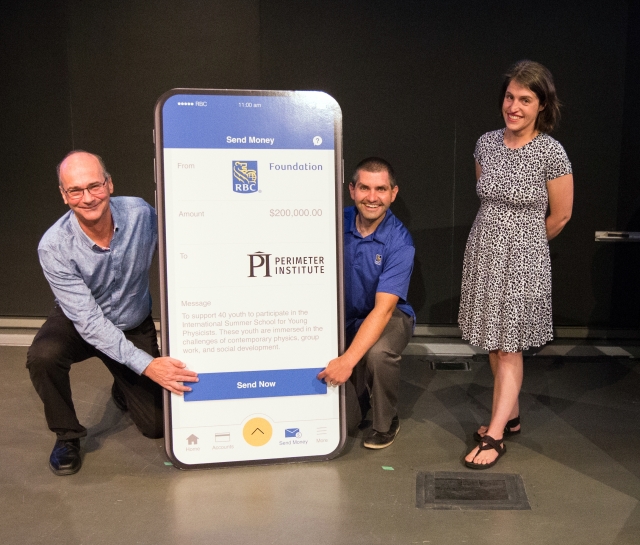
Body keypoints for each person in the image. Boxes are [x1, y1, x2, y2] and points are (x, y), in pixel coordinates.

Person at [27, 150, 198, 476]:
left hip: (132, 322)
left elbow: (180, 248)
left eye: (95, 186)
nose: (88, 198)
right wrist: (147, 366)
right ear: (64, 196)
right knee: (43, 355)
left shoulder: (140, 215)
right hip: (79, 324)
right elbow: (89, 322)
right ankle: (67, 435)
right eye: (75, 190)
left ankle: (123, 386)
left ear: (110, 183)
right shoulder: (54, 246)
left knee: (156, 427)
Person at [458, 60, 574, 469]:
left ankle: (494, 436)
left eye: (526, 99)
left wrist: (523, 247)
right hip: (483, 252)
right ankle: (510, 414)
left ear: (541, 105)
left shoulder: (551, 151)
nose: (515, 106)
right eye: (510, 97)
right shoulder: (485, 144)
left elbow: (560, 216)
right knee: (493, 340)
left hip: (524, 260)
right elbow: (485, 195)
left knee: (509, 348)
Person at [318, 157, 415, 449]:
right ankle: (360, 398)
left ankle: (386, 422)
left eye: (381, 189)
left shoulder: (400, 242)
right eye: (364, 188)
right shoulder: (333, 221)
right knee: (346, 425)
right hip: (343, 318)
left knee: (379, 353)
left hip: (388, 317)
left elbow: (383, 310)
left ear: (393, 193)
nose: (372, 197)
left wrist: (347, 361)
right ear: (352, 189)